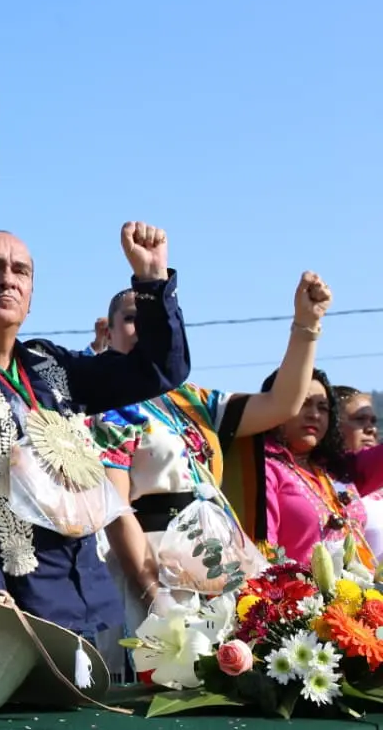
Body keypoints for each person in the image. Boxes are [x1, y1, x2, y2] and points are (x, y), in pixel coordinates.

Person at [0, 223, 190, 643]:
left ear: (30, 296)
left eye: (21, 271)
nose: (7, 279)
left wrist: (152, 281)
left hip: (82, 609)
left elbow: (158, 370)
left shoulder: (47, 366)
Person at [95, 273, 330, 650]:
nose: (145, 328)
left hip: (215, 554)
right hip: (149, 559)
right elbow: (116, 510)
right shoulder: (106, 406)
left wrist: (306, 325)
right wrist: (153, 591)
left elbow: (281, 404)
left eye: (155, 319)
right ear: (109, 332)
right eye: (132, 318)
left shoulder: (194, 400)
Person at [226, 369, 383, 569]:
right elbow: (261, 558)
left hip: (359, 587)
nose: (314, 415)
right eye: (302, 403)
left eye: (323, 407)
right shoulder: (261, 469)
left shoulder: (337, 467)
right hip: (295, 587)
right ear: (275, 407)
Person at [333, 386, 382, 555]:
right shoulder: (335, 480)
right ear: (333, 426)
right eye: (360, 419)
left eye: (373, 421)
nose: (371, 429)